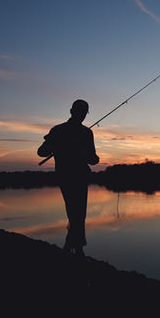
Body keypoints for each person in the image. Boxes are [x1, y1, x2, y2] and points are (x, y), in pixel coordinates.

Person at [38, 99, 99, 258]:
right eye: (81, 112)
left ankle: (73, 246)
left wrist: (89, 156)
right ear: (73, 112)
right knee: (76, 212)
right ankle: (75, 248)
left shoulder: (83, 132)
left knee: (76, 212)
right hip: (69, 175)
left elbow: (92, 158)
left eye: (84, 113)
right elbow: (42, 152)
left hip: (74, 175)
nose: (83, 116)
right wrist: (52, 146)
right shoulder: (61, 131)